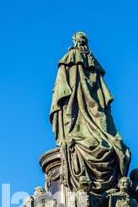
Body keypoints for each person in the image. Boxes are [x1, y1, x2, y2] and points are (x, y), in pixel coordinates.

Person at [50, 31, 130, 195]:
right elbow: (101, 94)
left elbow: (62, 88)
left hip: (74, 106)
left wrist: (59, 93)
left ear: (75, 41)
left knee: (83, 126)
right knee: (111, 142)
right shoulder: (93, 62)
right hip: (88, 108)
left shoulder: (69, 59)